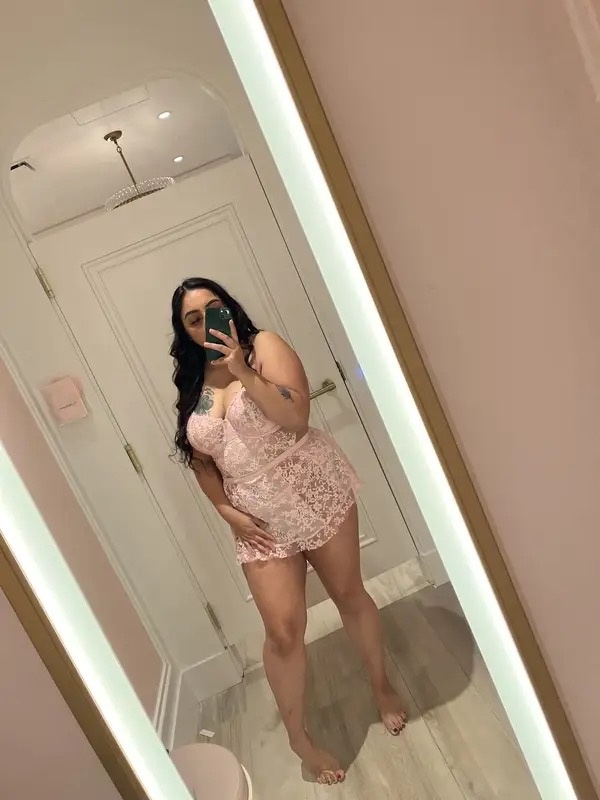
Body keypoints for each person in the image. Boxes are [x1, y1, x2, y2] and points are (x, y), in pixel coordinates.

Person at [171, 277, 406, 786]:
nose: (206, 321)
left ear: (230, 307)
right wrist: (224, 510)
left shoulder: (263, 347)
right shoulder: (193, 382)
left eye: (213, 308)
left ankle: (381, 685)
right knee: (281, 632)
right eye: (193, 318)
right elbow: (200, 458)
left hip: (312, 487)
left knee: (348, 593)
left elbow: (296, 417)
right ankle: (299, 738)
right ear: (184, 330)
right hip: (257, 518)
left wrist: (242, 370)